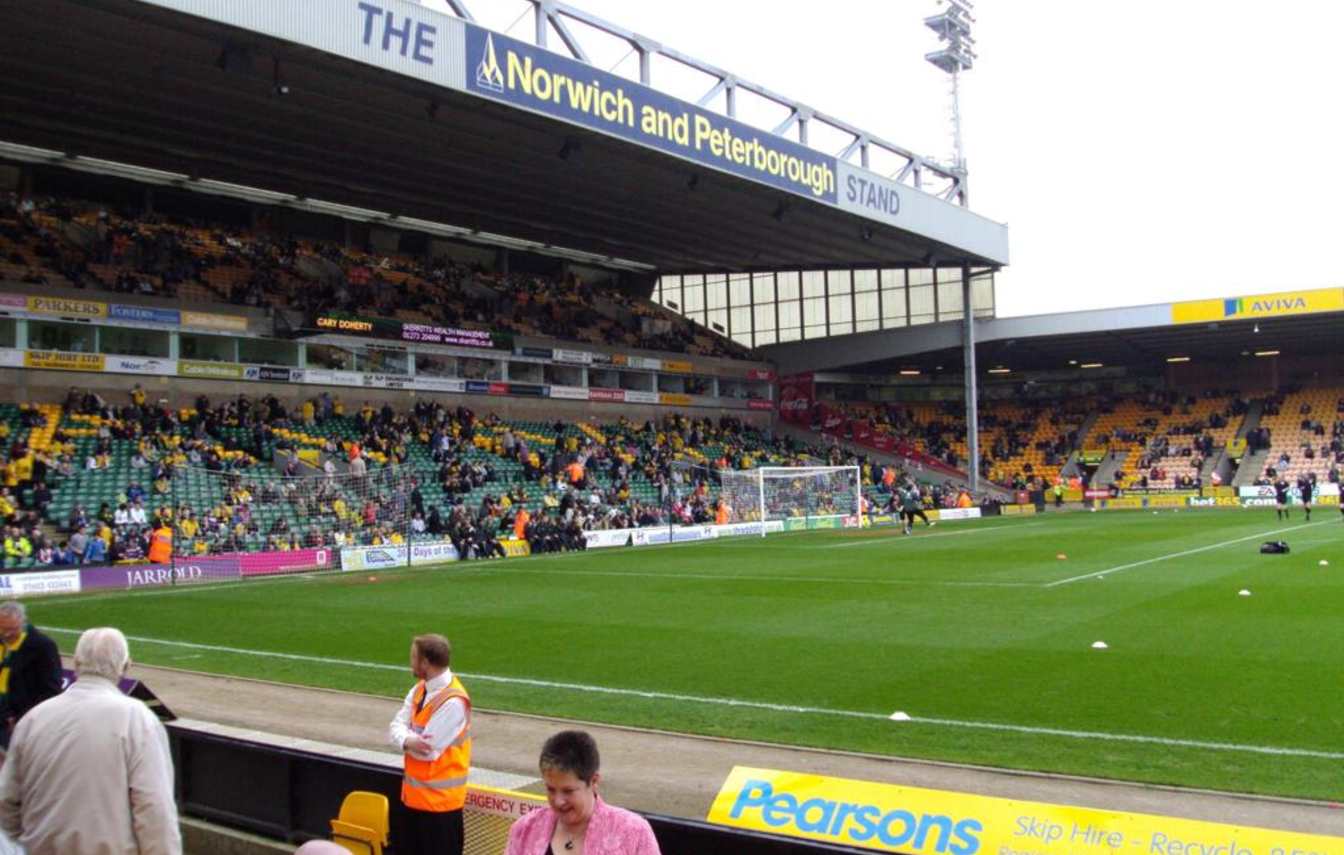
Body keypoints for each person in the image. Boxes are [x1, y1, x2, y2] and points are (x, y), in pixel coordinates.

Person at [0, 627, 181, 855]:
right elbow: (155, 809)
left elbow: (7, 802)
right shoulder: (138, 719)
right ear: (126, 667)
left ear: (76, 664)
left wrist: (27, 843)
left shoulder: (33, 720)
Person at [504, 730, 660, 855]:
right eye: (551, 789)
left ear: (593, 781)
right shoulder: (524, 829)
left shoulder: (633, 832)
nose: (558, 801)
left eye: (568, 791)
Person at [389, 634, 470, 855]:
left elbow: (428, 753)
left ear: (425, 662)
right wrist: (408, 740)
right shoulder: (419, 690)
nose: (410, 663)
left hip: (440, 811)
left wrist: (403, 738)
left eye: (413, 657)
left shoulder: (453, 701)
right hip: (414, 803)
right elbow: (394, 727)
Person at [0, 602, 62, 750]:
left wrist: (23, 719)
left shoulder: (42, 647)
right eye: (2, 628)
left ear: (22, 623)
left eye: (11, 629)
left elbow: (51, 690)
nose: (6, 634)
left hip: (19, 722)